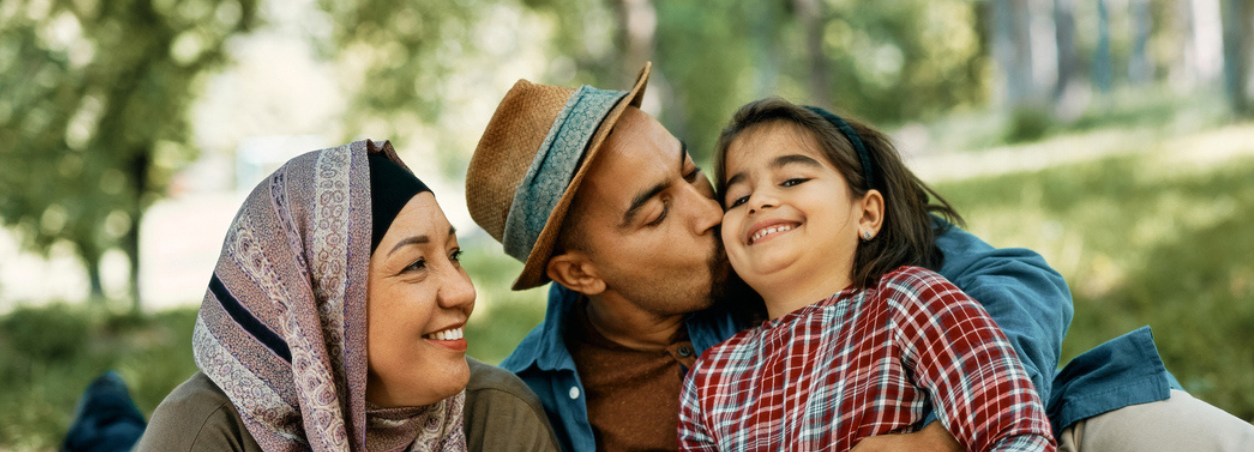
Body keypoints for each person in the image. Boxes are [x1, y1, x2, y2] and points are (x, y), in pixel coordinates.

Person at [465, 61, 1254, 452]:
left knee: (1158, 428)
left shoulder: (808, 258)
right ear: (580, 271)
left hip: (1013, 430)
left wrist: (942, 433)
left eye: (690, 172)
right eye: (657, 210)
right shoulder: (539, 403)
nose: (713, 211)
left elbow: (1017, 278)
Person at [127, 140, 559, 451]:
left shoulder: (499, 420)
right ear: (319, 306)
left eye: (454, 254)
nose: (464, 291)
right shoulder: (205, 434)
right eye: (414, 265)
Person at [676, 97, 1054, 451]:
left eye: (792, 180)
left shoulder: (910, 301)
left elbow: (1017, 433)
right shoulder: (710, 379)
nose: (758, 201)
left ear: (868, 214)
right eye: (738, 199)